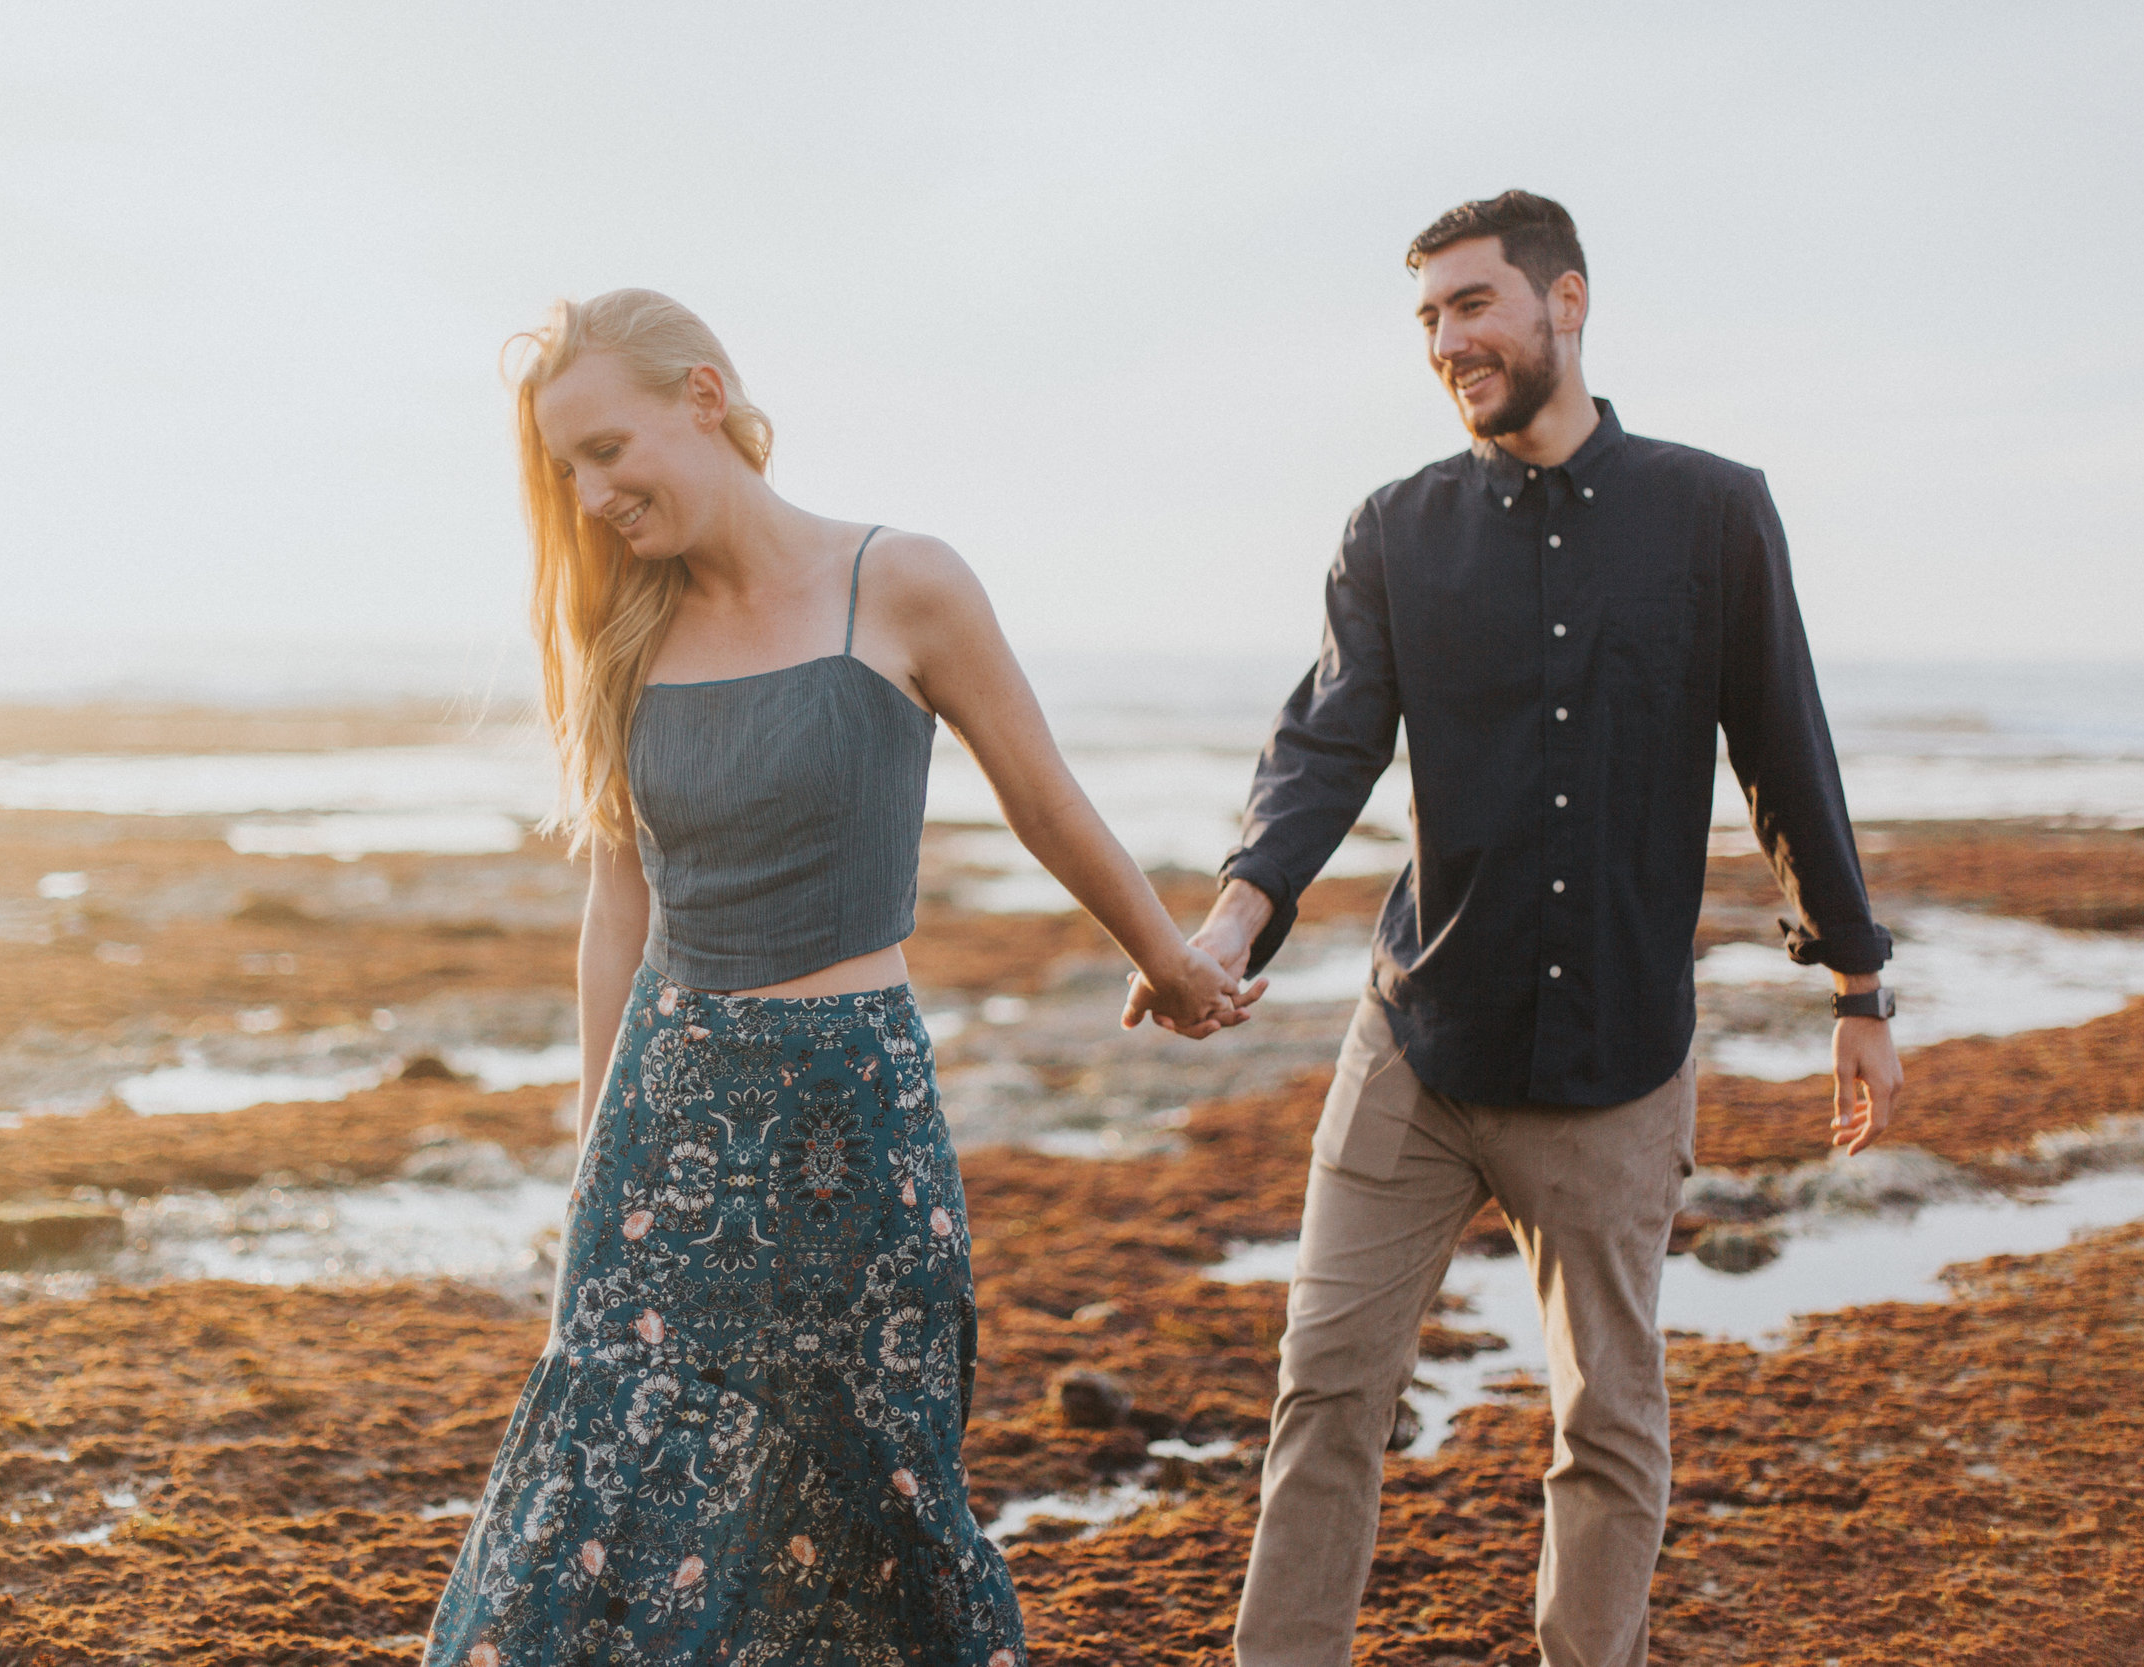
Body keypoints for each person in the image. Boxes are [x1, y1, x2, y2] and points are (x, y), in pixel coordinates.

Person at [424, 288, 1256, 1667]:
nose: (591, 495)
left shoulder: (904, 582)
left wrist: (1167, 960)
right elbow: (616, 900)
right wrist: (592, 1152)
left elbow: (1046, 802)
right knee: (603, 1505)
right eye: (567, 472)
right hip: (667, 1134)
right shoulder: (623, 632)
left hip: (852, 1123)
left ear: (704, 396)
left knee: (873, 1503)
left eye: (608, 450)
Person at [1135, 192, 1906, 1666]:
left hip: (1617, 1064)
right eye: (1428, 317)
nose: (1449, 341)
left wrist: (1858, 983)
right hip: (1417, 1048)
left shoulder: (1714, 510)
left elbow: (1785, 754)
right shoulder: (1395, 533)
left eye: (1473, 305)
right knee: (1324, 1393)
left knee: (1607, 1423)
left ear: (1568, 300)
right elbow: (1324, 748)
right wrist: (1238, 915)